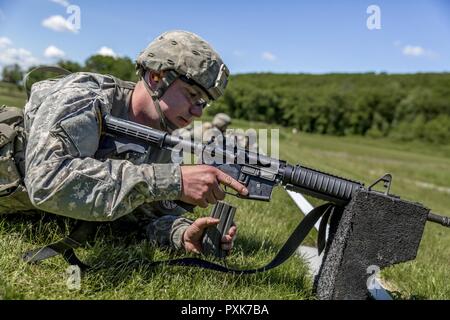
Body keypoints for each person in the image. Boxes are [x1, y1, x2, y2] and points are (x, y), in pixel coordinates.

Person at [23, 30, 248, 255]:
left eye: (203, 102)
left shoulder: (165, 140)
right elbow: (46, 180)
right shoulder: (84, 98)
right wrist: (172, 180)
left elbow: (142, 218)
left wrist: (181, 234)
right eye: (191, 95)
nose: (198, 112)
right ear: (156, 77)